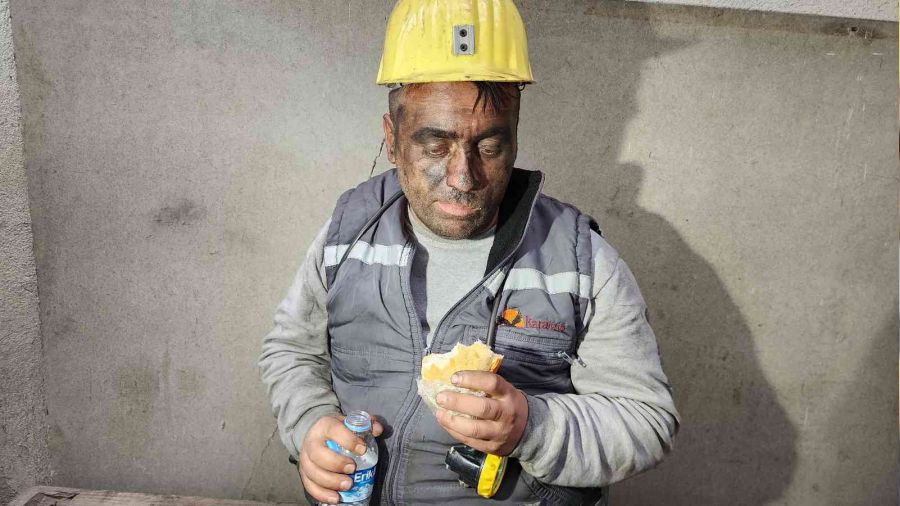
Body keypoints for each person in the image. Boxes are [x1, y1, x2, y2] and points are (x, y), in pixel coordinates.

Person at [258, 1, 680, 504]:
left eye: (489, 147)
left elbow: (646, 420)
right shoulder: (349, 232)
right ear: (392, 140)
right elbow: (292, 352)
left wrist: (532, 426)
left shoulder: (580, 259)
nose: (463, 178)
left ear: (515, 138)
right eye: (435, 146)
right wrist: (309, 425)